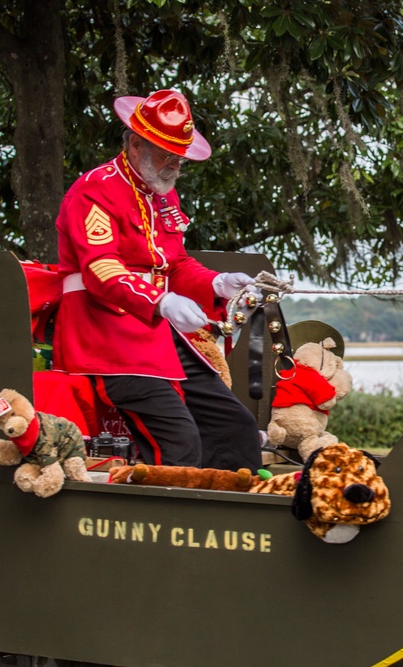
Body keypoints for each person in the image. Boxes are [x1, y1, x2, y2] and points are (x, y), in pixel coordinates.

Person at [53, 88, 262, 471]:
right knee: (179, 439)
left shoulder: (163, 194)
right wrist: (160, 301)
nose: (176, 168)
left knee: (236, 425)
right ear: (135, 144)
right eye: (169, 157)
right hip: (105, 333)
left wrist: (216, 282)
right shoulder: (94, 190)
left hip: (154, 332)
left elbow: (175, 263)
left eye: (180, 159)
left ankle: (232, 514)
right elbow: (101, 269)